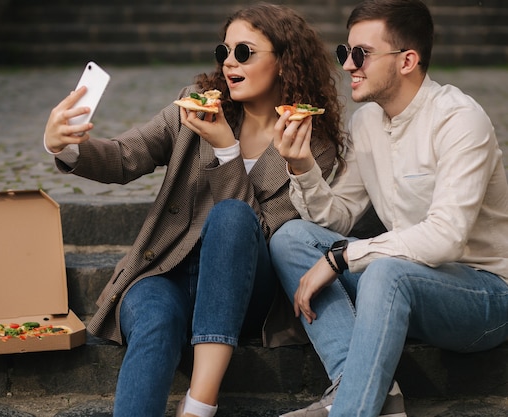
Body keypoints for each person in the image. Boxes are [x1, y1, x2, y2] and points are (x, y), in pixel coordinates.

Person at [43, 3, 346, 416]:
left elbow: (264, 233)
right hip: (167, 269)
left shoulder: (310, 144)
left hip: (244, 292)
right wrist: (64, 144)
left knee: (232, 216)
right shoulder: (198, 106)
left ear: (283, 61)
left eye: (245, 53)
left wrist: (226, 151)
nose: (229, 63)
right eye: (224, 52)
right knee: (154, 320)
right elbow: (126, 155)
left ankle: (200, 405)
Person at [270, 0, 508, 416]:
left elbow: (446, 238)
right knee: (291, 238)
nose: (347, 66)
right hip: (401, 282)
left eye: (360, 54)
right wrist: (302, 166)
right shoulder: (366, 124)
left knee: (383, 267)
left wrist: (344, 256)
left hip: (485, 294)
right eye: (345, 53)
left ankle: (350, 411)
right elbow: (339, 216)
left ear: (407, 61)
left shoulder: (459, 120)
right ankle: (365, 389)